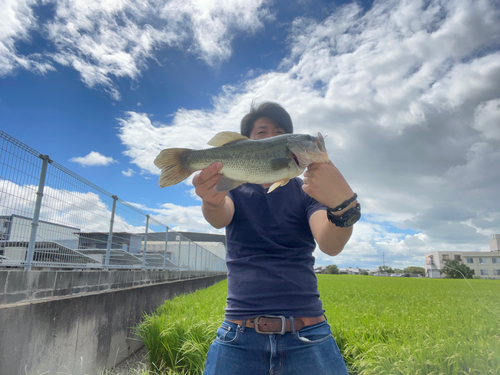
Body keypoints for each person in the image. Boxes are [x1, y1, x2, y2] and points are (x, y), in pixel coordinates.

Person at [194, 102, 360, 375]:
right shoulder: (233, 188)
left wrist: (344, 205)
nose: (271, 136)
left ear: (288, 142)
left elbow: (330, 244)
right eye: (262, 132)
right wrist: (211, 201)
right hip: (238, 332)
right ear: (246, 141)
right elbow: (219, 215)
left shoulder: (309, 190)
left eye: (279, 131)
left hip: (308, 334)